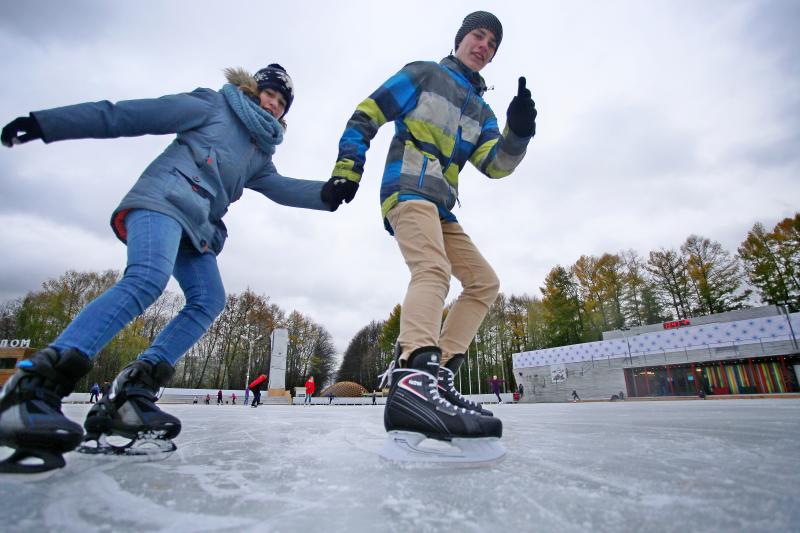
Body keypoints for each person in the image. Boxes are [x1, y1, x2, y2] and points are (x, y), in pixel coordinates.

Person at [0, 64, 334, 473]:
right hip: (161, 202)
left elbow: (282, 189)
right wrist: (46, 124)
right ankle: (36, 385)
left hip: (198, 229)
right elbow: (128, 114)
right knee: (146, 279)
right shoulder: (213, 105)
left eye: (282, 103)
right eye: (270, 94)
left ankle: (132, 393)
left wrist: (332, 192)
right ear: (252, 88)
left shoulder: (259, 154)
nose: (273, 104)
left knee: (209, 299)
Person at [323, 11, 535, 464]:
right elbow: (368, 112)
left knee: (483, 282)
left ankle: (438, 379)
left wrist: (519, 133)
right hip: (406, 187)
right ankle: (414, 381)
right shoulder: (424, 74)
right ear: (461, 38)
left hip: (441, 205)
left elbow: (495, 165)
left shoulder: (482, 110)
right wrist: (348, 167)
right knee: (433, 270)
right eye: (478, 35)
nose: (484, 46)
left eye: (493, 44)